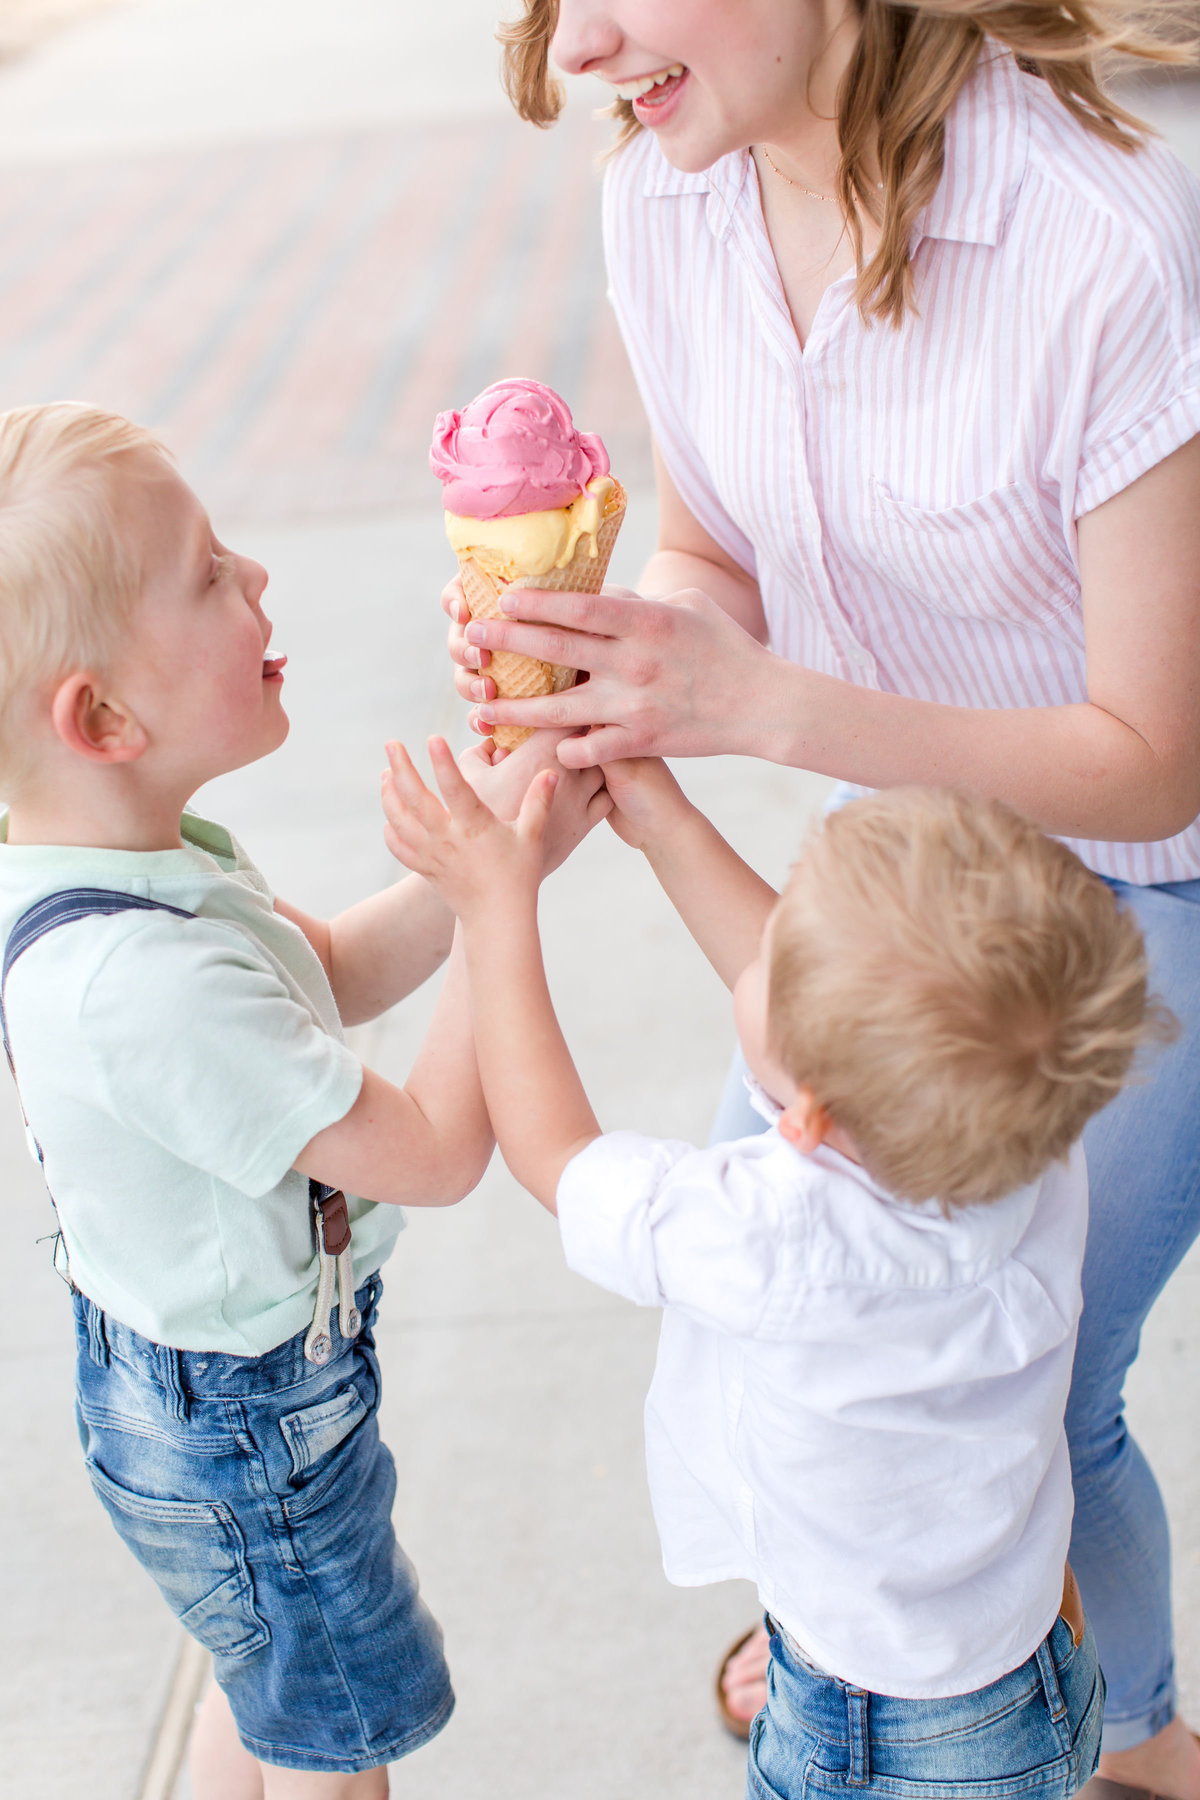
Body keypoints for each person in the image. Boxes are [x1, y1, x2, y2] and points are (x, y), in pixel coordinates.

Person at [443, 1, 1200, 1790]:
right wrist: (633, 659)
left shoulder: (1107, 238)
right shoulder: (669, 199)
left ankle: (1138, 1733)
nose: (580, 48)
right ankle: (880, 1597)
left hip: (1143, 882)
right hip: (906, 861)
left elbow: (1158, 754)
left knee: (1042, 1378)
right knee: (782, 1307)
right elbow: (722, 547)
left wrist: (758, 710)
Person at [0, 403, 610, 1800]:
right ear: (102, 717)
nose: (259, 578)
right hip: (249, 1429)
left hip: (208, 1393)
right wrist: (490, 901)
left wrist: (502, 850)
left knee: (271, 1686)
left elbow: (321, 973)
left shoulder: (113, 863)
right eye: (209, 575)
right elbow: (441, 1152)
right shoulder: (139, 985)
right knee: (343, 1754)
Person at [380, 739, 1167, 1798]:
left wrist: (495, 908)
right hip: (1018, 1675)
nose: (759, 948)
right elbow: (851, 1023)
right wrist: (664, 817)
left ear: (806, 1114)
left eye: (776, 955)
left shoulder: (783, 1233)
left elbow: (555, 1155)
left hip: (878, 1739)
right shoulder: (1030, 1137)